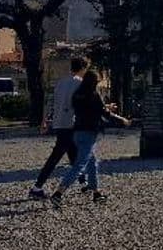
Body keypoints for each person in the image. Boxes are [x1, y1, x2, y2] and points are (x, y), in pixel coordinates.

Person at [50, 70, 130, 207]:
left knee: (92, 163)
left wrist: (104, 107)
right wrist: (122, 119)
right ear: (94, 82)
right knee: (79, 166)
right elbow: (104, 113)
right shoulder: (94, 95)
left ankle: (96, 193)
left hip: (77, 132)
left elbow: (89, 109)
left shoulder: (77, 95)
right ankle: (58, 193)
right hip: (89, 133)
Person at [29, 57, 88, 199]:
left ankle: (84, 183)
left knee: (73, 153)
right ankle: (37, 186)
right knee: (56, 156)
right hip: (71, 123)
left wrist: (45, 120)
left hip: (59, 123)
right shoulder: (80, 84)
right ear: (83, 68)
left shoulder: (61, 83)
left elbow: (51, 102)